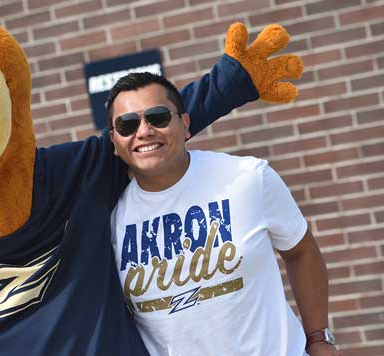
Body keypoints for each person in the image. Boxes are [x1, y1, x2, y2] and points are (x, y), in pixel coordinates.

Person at [105, 72, 341, 356]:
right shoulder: (110, 220)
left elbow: (301, 251)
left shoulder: (248, 178)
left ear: (186, 124)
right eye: (127, 124)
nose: (144, 131)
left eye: (158, 117)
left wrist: (318, 338)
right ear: (115, 142)